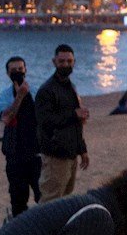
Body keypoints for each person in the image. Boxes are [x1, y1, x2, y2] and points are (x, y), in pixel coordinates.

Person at [34, 43, 90, 199]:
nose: (66, 65)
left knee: (65, 195)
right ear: (54, 62)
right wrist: (74, 114)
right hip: (55, 154)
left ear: (74, 62)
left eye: (69, 61)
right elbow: (44, 121)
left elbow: (76, 124)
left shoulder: (70, 87)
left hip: (70, 153)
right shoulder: (47, 90)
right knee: (51, 198)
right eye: (62, 61)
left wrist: (82, 150)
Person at [0, 55, 44, 216]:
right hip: (14, 156)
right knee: (18, 201)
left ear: (25, 70)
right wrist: (19, 97)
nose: (17, 72)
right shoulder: (5, 95)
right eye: (13, 70)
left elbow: (44, 116)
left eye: (20, 69)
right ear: (7, 73)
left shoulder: (37, 91)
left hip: (36, 154)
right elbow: (6, 118)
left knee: (43, 197)